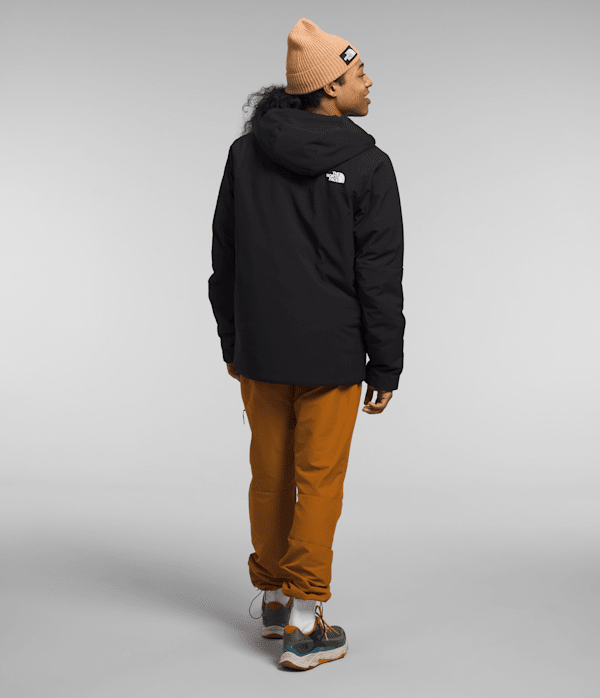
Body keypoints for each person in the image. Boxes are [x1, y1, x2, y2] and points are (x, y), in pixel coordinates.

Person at [208, 18, 405, 670]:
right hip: (332, 356)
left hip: (260, 352)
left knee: (270, 475)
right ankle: (303, 621)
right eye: (358, 73)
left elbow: (225, 259)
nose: (369, 82)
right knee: (317, 482)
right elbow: (379, 276)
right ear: (328, 87)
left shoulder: (245, 154)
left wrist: (232, 339)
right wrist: (386, 363)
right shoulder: (369, 165)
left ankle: (271, 596)